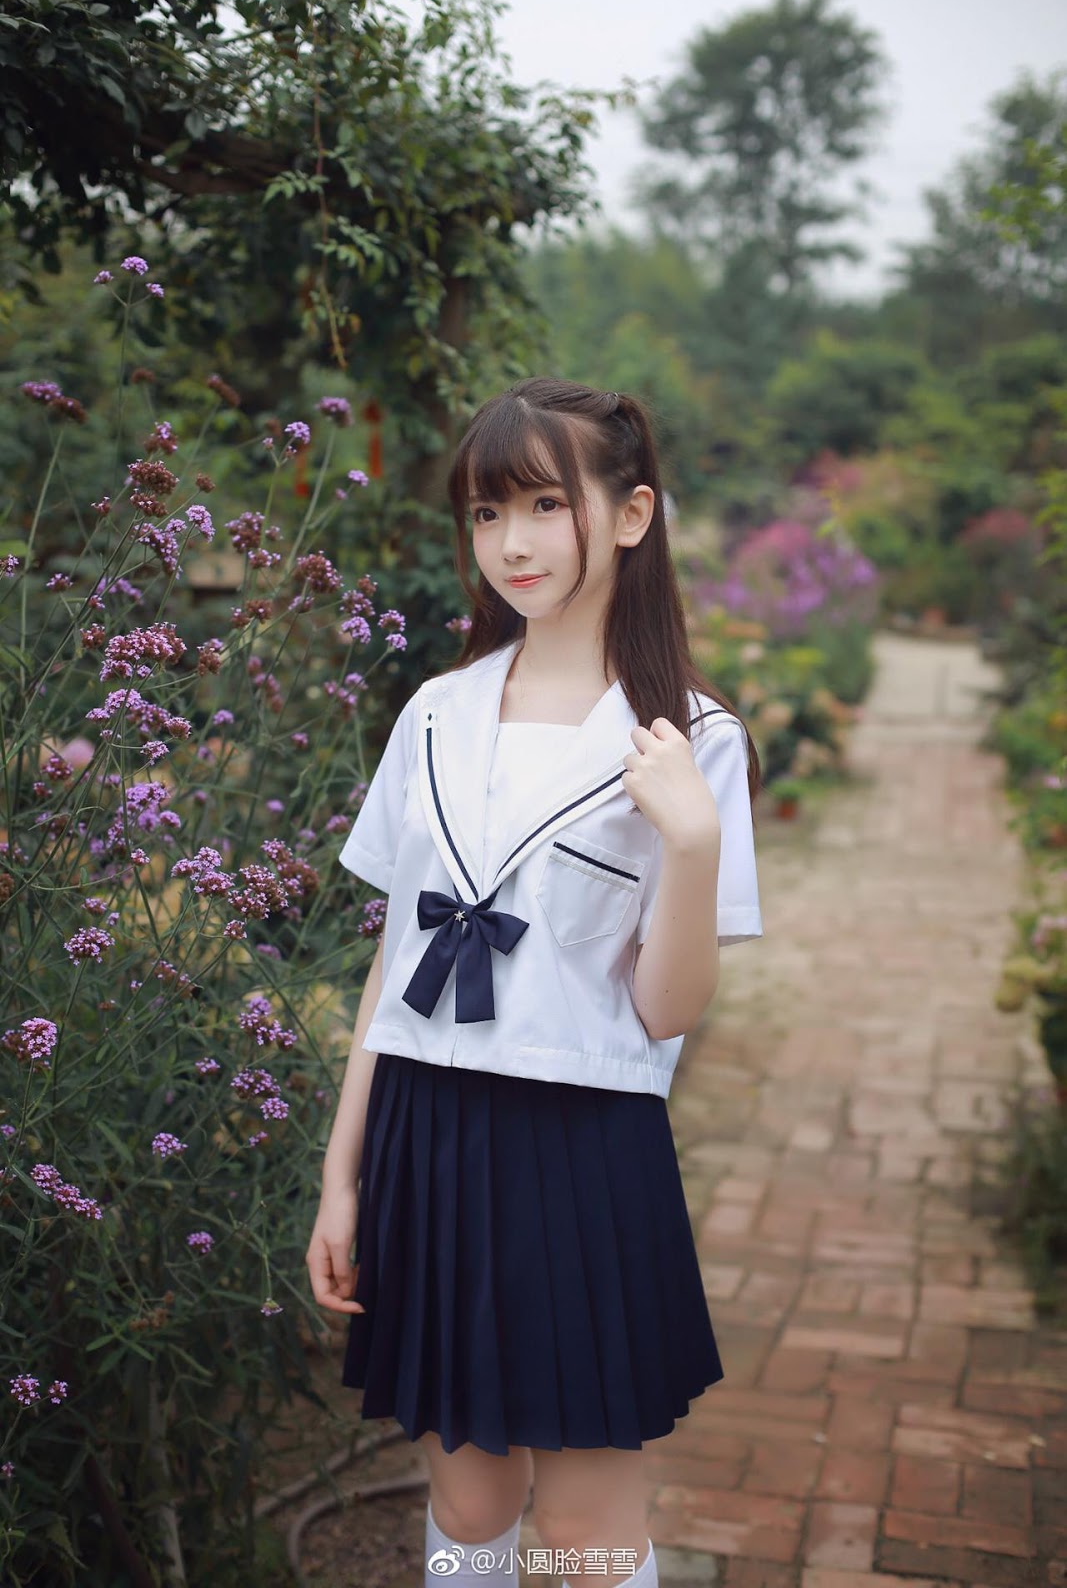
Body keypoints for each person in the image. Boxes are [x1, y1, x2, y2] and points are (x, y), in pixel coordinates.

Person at [306, 377, 764, 1588]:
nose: (508, 542)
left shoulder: (687, 737)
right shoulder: (434, 715)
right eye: (483, 511)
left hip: (579, 1143)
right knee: (466, 1496)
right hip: (425, 1130)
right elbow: (393, 964)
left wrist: (693, 841)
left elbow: (668, 1011)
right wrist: (339, 1176)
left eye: (543, 506)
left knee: (584, 1533)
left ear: (628, 515)